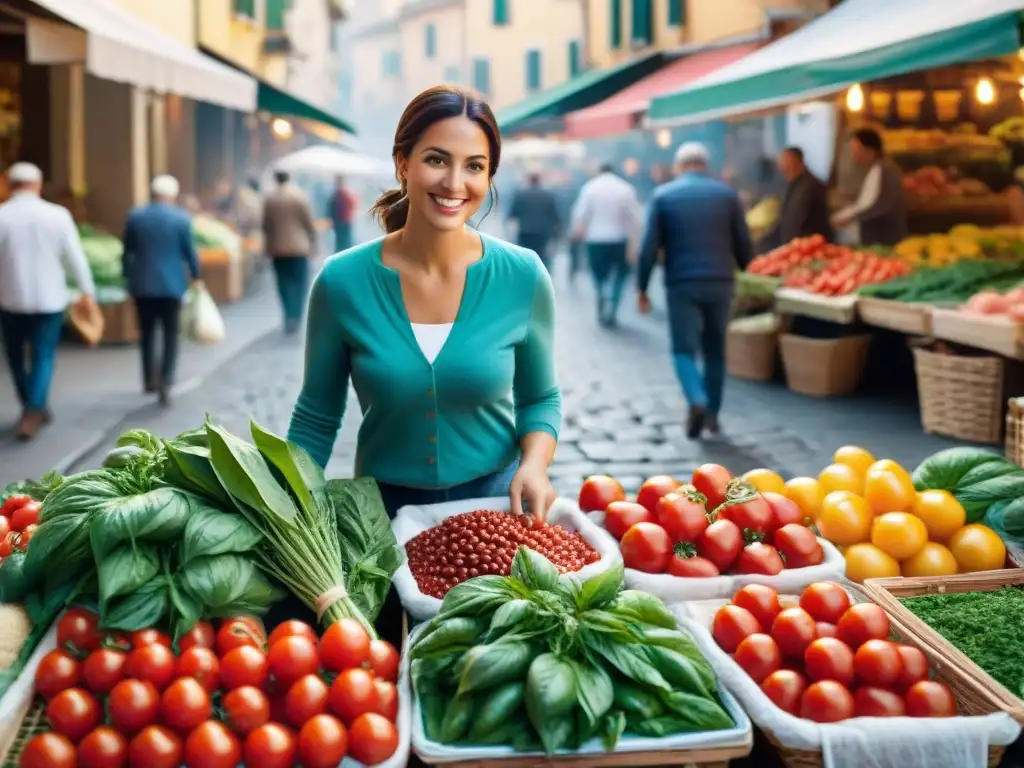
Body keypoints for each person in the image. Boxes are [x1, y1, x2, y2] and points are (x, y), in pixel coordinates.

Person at [636, 142, 753, 439]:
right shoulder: (727, 195)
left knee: (682, 349)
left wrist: (642, 287)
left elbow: (649, 248)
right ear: (706, 166)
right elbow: (743, 243)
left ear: (679, 166)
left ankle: (696, 398)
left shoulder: (663, 196)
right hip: (720, 282)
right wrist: (747, 273)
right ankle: (712, 413)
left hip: (681, 283)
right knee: (715, 348)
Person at [0, 162, 97, 440]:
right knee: (43, 355)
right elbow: (75, 258)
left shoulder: (2, 215)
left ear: (9, 183)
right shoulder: (58, 215)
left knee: (15, 356)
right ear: (39, 184)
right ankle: (34, 407)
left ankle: (32, 405)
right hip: (49, 299)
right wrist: (87, 291)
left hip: (9, 298)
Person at [122, 175, 201, 407]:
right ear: (172, 195)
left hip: (143, 284)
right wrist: (197, 276)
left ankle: (148, 379)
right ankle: (166, 380)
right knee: (170, 334)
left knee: (146, 332)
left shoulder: (136, 217)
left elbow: (127, 252)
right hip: (172, 285)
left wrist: (127, 278)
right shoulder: (181, 219)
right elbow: (190, 252)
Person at [570, 163, 642, 328]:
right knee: (621, 275)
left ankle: (602, 291)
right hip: (620, 240)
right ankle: (613, 304)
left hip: (595, 239)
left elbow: (580, 214)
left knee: (598, 274)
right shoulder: (626, 188)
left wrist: (577, 232)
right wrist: (634, 245)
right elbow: (635, 220)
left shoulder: (590, 188)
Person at [262, 169, 318, 334]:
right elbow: (309, 223)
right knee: (300, 283)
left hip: (277, 249)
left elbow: (265, 226)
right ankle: (297, 315)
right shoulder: (299, 196)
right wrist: (313, 243)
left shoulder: (270, 199)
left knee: (283, 283)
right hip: (299, 248)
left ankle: (288, 315)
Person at [831, 128, 908, 246]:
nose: (853, 155)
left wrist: (849, 217)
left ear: (869, 151)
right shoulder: (878, 168)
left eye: (856, 150)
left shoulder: (886, 170)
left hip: (884, 239)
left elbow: (878, 205)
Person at [761, 146, 833, 250]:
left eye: (787, 162)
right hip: (794, 247)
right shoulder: (793, 185)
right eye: (782, 163)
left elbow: (797, 221)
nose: (783, 167)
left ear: (800, 162)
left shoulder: (811, 186)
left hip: (810, 248)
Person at [506, 172, 561, 273]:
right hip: (543, 232)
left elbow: (512, 214)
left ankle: (527, 275)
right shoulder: (548, 195)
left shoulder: (520, 195)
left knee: (526, 255)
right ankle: (542, 276)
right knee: (542, 256)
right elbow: (555, 215)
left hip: (525, 231)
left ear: (529, 180)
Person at [327, 175, 357, 253]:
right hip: (341, 221)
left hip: (343, 221)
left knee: (343, 243)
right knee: (343, 243)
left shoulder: (341, 194)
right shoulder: (340, 194)